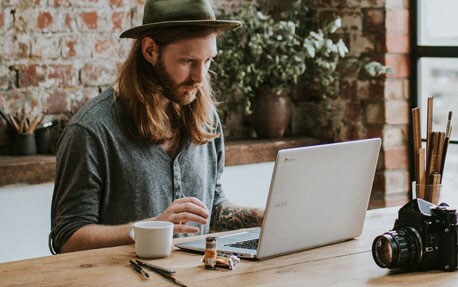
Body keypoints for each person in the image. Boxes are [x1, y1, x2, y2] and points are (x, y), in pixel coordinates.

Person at [49, 0, 264, 254]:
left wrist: (262, 216)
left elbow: (212, 208)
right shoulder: (90, 131)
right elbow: (67, 238)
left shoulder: (207, 119)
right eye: (187, 61)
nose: (200, 77)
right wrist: (149, 228)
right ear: (150, 50)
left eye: (208, 61)